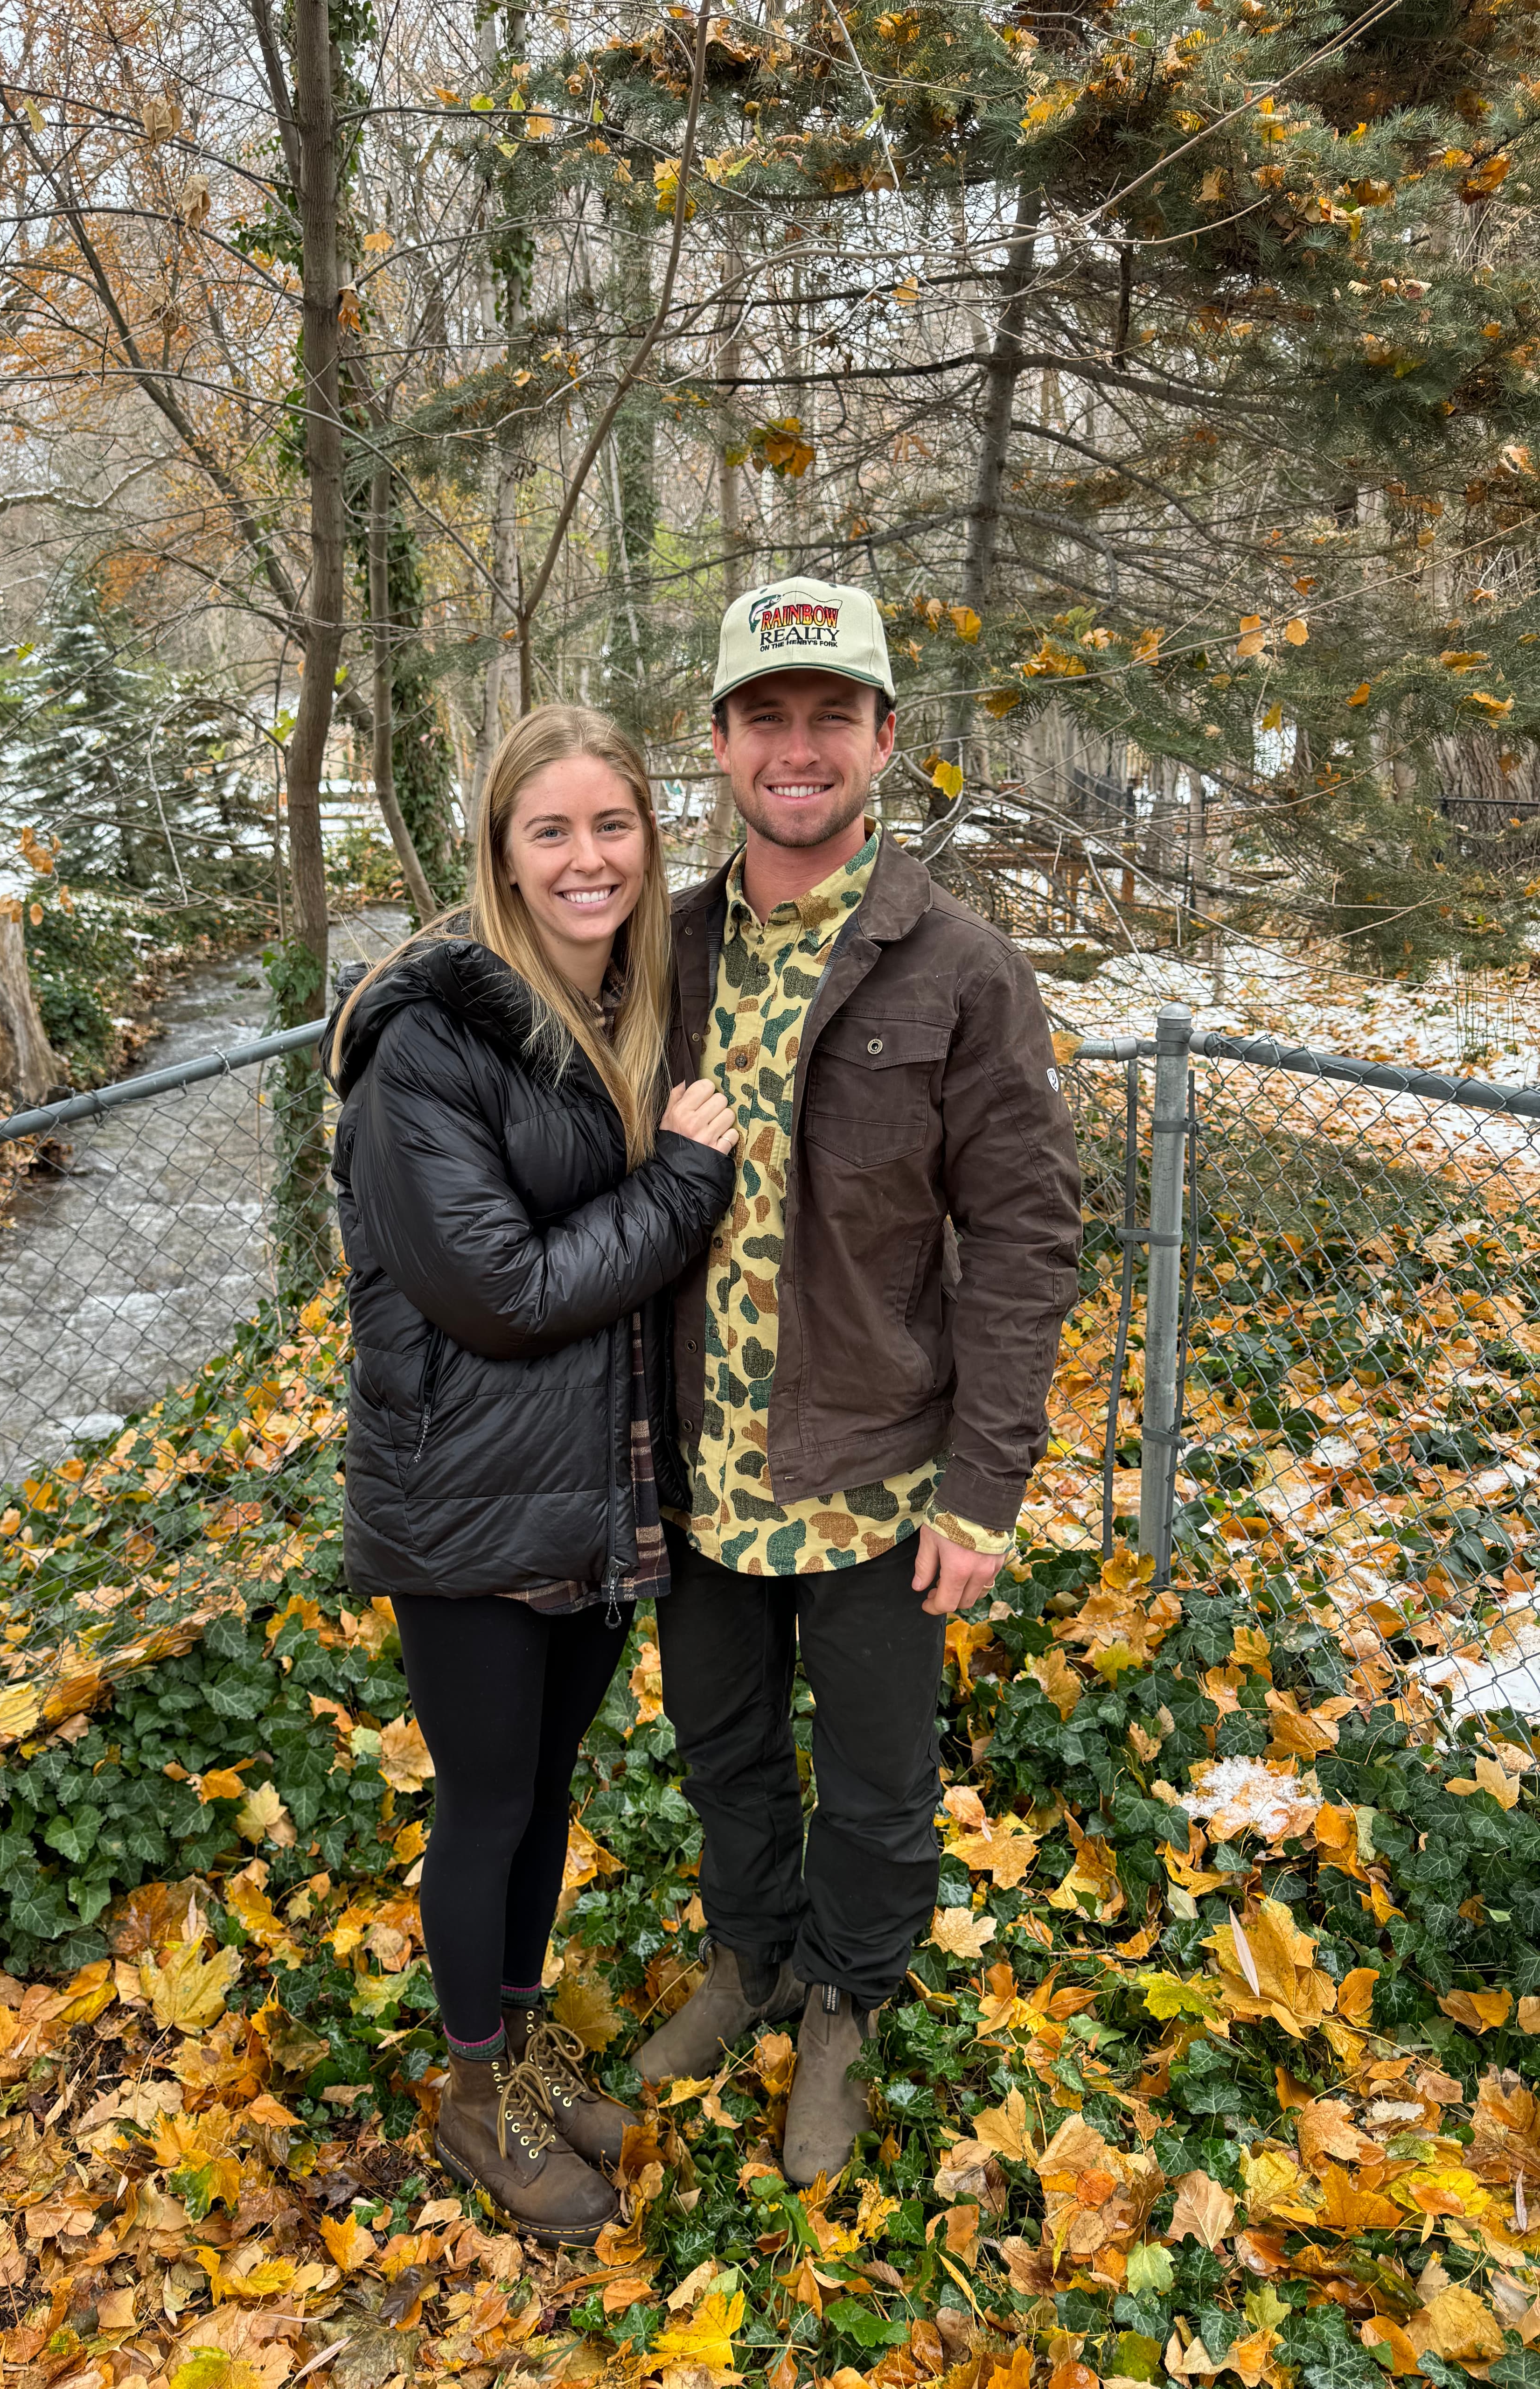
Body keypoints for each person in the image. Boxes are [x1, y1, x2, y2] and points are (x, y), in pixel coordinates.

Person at [630, 576, 1084, 2186]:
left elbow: (1027, 1236)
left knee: (883, 1775)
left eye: (833, 716)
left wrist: (985, 1485)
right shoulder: (661, 950)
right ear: (723, 745)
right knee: (723, 1743)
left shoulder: (958, 967)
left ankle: (842, 1999)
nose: (799, 748)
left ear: (886, 742)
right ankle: (749, 1959)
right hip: (693, 1466)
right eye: (768, 716)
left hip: (881, 1467)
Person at [325, 706, 738, 2246]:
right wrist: (686, 1183)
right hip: (465, 1505)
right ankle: (473, 2097)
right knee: (488, 1802)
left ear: (649, 835)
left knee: (549, 1788)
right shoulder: (423, 1045)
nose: (588, 859)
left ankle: (514, 2034)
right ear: (501, 848)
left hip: (589, 1483)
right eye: (551, 831)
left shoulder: (632, 1005)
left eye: (612, 827)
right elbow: (495, 1290)